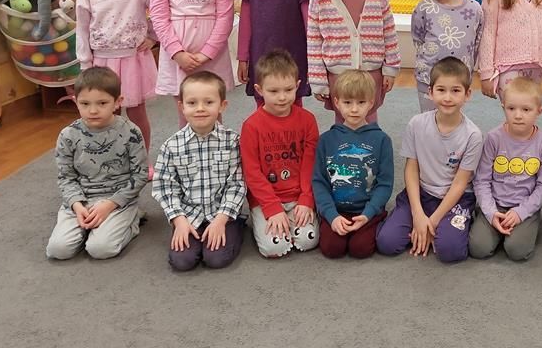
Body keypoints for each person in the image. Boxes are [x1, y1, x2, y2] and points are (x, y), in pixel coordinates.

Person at [375, 57, 483, 263]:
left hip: (456, 199)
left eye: (456, 90)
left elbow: (460, 183)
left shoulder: (473, 135)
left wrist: (431, 222)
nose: (448, 97)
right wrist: (418, 215)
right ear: (431, 92)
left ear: (468, 94)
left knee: (450, 251)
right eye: (441, 90)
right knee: (387, 243)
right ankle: (411, 221)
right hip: (421, 195)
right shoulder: (416, 124)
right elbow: (411, 169)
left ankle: (454, 223)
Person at [45, 67, 147, 260]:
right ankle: (89, 228)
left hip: (117, 200)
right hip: (81, 200)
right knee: (58, 250)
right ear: (75, 101)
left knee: (100, 249)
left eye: (102, 103)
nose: (93, 110)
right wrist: (76, 205)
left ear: (118, 102)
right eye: (85, 103)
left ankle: (132, 219)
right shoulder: (67, 135)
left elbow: (140, 174)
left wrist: (110, 204)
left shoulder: (131, 132)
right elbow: (66, 177)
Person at [74, 0, 158, 154]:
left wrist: (153, 36)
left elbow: (161, 10)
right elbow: (82, 29)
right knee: (107, 113)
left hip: (133, 60)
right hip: (102, 63)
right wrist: (85, 64)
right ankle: (111, 159)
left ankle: (141, 159)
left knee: (137, 112)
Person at [151, 72, 246, 271]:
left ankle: (237, 225)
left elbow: (237, 183)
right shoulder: (171, 146)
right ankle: (189, 230)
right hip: (188, 215)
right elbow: (164, 187)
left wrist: (221, 220)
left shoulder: (232, 141)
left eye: (209, 102)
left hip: (221, 213)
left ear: (222, 106)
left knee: (216, 259)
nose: (200, 108)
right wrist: (179, 220)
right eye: (192, 103)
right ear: (182, 107)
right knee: (182, 261)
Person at [240, 50, 319, 258]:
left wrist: (306, 199)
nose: (282, 97)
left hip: (298, 195)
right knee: (274, 248)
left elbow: (311, 163)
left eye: (288, 89)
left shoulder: (308, 120)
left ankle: (292, 221)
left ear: (298, 85)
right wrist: (272, 207)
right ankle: (263, 220)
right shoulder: (251, 127)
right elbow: (251, 172)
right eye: (273, 91)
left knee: (308, 240)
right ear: (259, 90)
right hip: (266, 198)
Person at [468, 77, 542, 262]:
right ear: (503, 107)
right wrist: (490, 212)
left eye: (526, 110)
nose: (518, 115)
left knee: (517, 251)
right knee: (478, 249)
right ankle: (486, 220)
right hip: (495, 203)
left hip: (524, 205)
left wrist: (521, 213)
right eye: (511, 108)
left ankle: (523, 224)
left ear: (539, 111)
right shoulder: (493, 138)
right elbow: (481, 180)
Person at [313, 70, 394, 259]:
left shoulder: (382, 140)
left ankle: (377, 221)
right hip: (336, 210)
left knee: (361, 249)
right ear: (337, 102)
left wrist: (369, 213)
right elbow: (319, 182)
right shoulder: (326, 140)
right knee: (332, 249)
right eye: (348, 102)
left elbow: (385, 184)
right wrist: (331, 215)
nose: (354, 109)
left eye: (361, 102)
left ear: (371, 103)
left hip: (368, 211)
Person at [411, 0, 483, 111]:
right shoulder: (424, 7)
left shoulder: (474, 9)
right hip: (428, 78)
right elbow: (418, 37)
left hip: (459, 80)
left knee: (452, 119)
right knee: (429, 119)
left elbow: (476, 43)